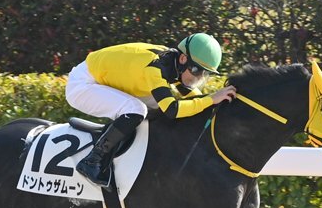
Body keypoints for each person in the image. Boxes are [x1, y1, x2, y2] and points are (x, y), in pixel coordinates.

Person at [65, 33, 237, 188]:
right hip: (83, 84)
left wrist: (213, 103)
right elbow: (172, 110)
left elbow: (189, 95)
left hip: (102, 79)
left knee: (156, 107)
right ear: (183, 59)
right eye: (196, 71)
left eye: (204, 74)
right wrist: (211, 99)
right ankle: (93, 161)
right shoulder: (156, 68)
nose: (198, 78)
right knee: (137, 109)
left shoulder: (174, 63)